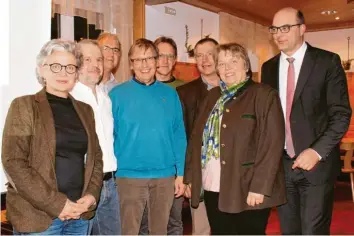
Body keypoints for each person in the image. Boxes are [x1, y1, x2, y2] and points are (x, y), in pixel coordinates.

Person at [261, 8, 351, 235]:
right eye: (274, 29)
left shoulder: (327, 62)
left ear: (302, 29)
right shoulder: (268, 68)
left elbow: (341, 114)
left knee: (313, 231)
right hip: (282, 166)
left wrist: (316, 151)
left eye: (285, 28)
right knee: (289, 231)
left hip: (317, 166)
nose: (278, 34)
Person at [1, 39, 103, 235]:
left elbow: (96, 158)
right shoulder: (24, 106)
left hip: (79, 216)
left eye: (70, 67)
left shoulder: (85, 110)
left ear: (76, 72)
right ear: (42, 69)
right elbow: (13, 162)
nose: (63, 73)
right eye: (55, 66)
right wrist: (58, 205)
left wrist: (91, 195)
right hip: (40, 219)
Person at [184, 42, 286, 235]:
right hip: (213, 183)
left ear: (246, 65)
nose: (227, 68)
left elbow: (272, 144)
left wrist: (260, 187)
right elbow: (197, 138)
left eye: (233, 61)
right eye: (221, 63)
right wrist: (191, 177)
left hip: (248, 187)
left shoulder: (264, 95)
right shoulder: (213, 96)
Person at [109, 38, 187, 235]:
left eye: (149, 58)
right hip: (129, 176)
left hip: (164, 176)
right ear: (131, 64)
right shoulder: (116, 95)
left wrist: (181, 173)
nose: (144, 65)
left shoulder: (170, 95)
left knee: (159, 231)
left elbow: (179, 134)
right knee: (129, 231)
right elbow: (109, 136)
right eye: (138, 60)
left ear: (157, 60)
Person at [70, 39, 121, 235]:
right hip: (83, 188)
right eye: (87, 59)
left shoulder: (106, 98)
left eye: (98, 59)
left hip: (111, 184)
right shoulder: (70, 97)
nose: (95, 65)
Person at [139, 36, 184, 235]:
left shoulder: (184, 89)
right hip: (143, 172)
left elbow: (183, 133)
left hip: (173, 170)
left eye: (170, 56)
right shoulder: (138, 88)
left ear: (175, 60)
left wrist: (183, 173)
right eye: (160, 55)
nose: (164, 61)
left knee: (174, 221)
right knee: (145, 223)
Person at [178, 37, 220, 235]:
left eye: (210, 54)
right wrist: (187, 176)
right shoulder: (184, 92)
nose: (204, 59)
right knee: (201, 229)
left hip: (230, 174)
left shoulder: (235, 88)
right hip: (199, 173)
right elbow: (183, 137)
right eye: (199, 55)